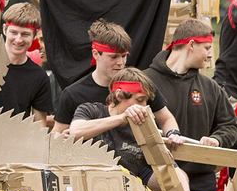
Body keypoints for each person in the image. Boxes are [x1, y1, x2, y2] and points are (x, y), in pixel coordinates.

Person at [67, 68, 198, 191]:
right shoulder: (91, 111)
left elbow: (170, 170)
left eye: (146, 102)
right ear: (119, 95)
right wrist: (122, 118)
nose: (143, 107)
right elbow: (76, 132)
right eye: (139, 100)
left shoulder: (143, 128)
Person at [143, 20, 237, 191]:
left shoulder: (211, 87)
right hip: (156, 181)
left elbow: (231, 126)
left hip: (202, 183)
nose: (211, 55)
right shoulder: (145, 81)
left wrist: (216, 139)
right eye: (208, 48)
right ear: (191, 45)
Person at [52, 19, 184, 148]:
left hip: (138, 166)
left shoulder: (140, 86)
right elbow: (57, 133)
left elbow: (166, 119)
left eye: (124, 56)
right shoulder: (74, 94)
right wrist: (61, 139)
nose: (121, 63)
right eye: (114, 57)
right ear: (96, 54)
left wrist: (173, 133)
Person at [0, 3, 53, 127]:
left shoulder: (39, 77)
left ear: (34, 36)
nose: (18, 39)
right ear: (5, 30)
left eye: (25, 34)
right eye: (14, 32)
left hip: (16, 141)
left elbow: (40, 125)